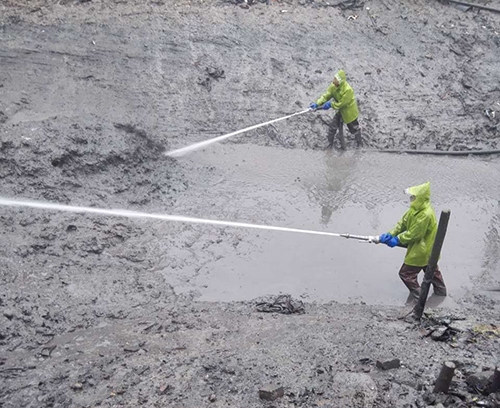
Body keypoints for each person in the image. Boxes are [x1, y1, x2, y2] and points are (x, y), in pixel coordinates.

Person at [379, 182, 447, 300]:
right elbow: (402, 224)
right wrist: (390, 233)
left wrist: (397, 239)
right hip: (429, 250)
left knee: (406, 274)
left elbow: (415, 234)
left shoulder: (425, 214)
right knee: (432, 272)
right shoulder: (414, 210)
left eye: (413, 197)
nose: (411, 199)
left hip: (422, 249)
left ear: (420, 198)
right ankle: (441, 295)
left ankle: (420, 297)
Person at [310, 70, 362, 149]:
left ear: (340, 81)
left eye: (336, 80)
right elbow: (326, 95)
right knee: (333, 126)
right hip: (340, 111)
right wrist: (317, 103)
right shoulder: (333, 86)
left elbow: (341, 104)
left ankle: (359, 144)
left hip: (349, 112)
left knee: (354, 128)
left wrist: (331, 104)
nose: (334, 81)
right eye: (334, 78)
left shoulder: (348, 90)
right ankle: (329, 144)